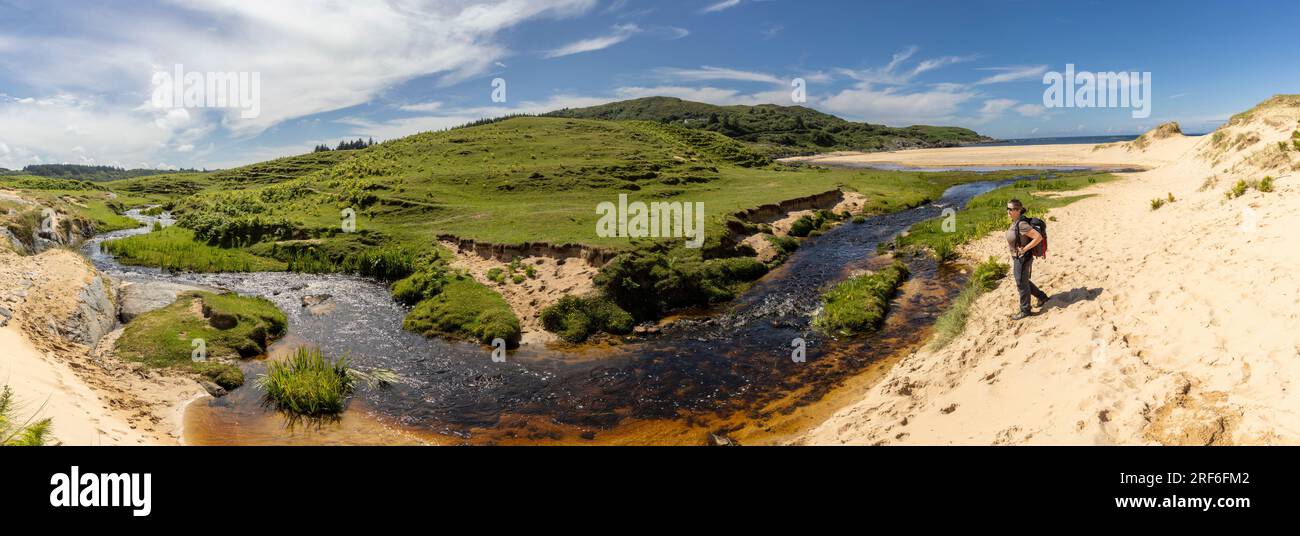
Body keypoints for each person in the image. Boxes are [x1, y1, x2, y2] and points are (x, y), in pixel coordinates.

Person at [1006, 199, 1049, 320]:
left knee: (1021, 283)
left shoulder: (1021, 224)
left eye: (1011, 209)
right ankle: (1042, 297)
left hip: (1023, 258)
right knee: (1023, 281)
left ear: (1018, 210)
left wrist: (1024, 249)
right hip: (1018, 257)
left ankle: (1025, 310)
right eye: (1007, 208)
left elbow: (1038, 237)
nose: (1008, 211)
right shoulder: (1016, 221)